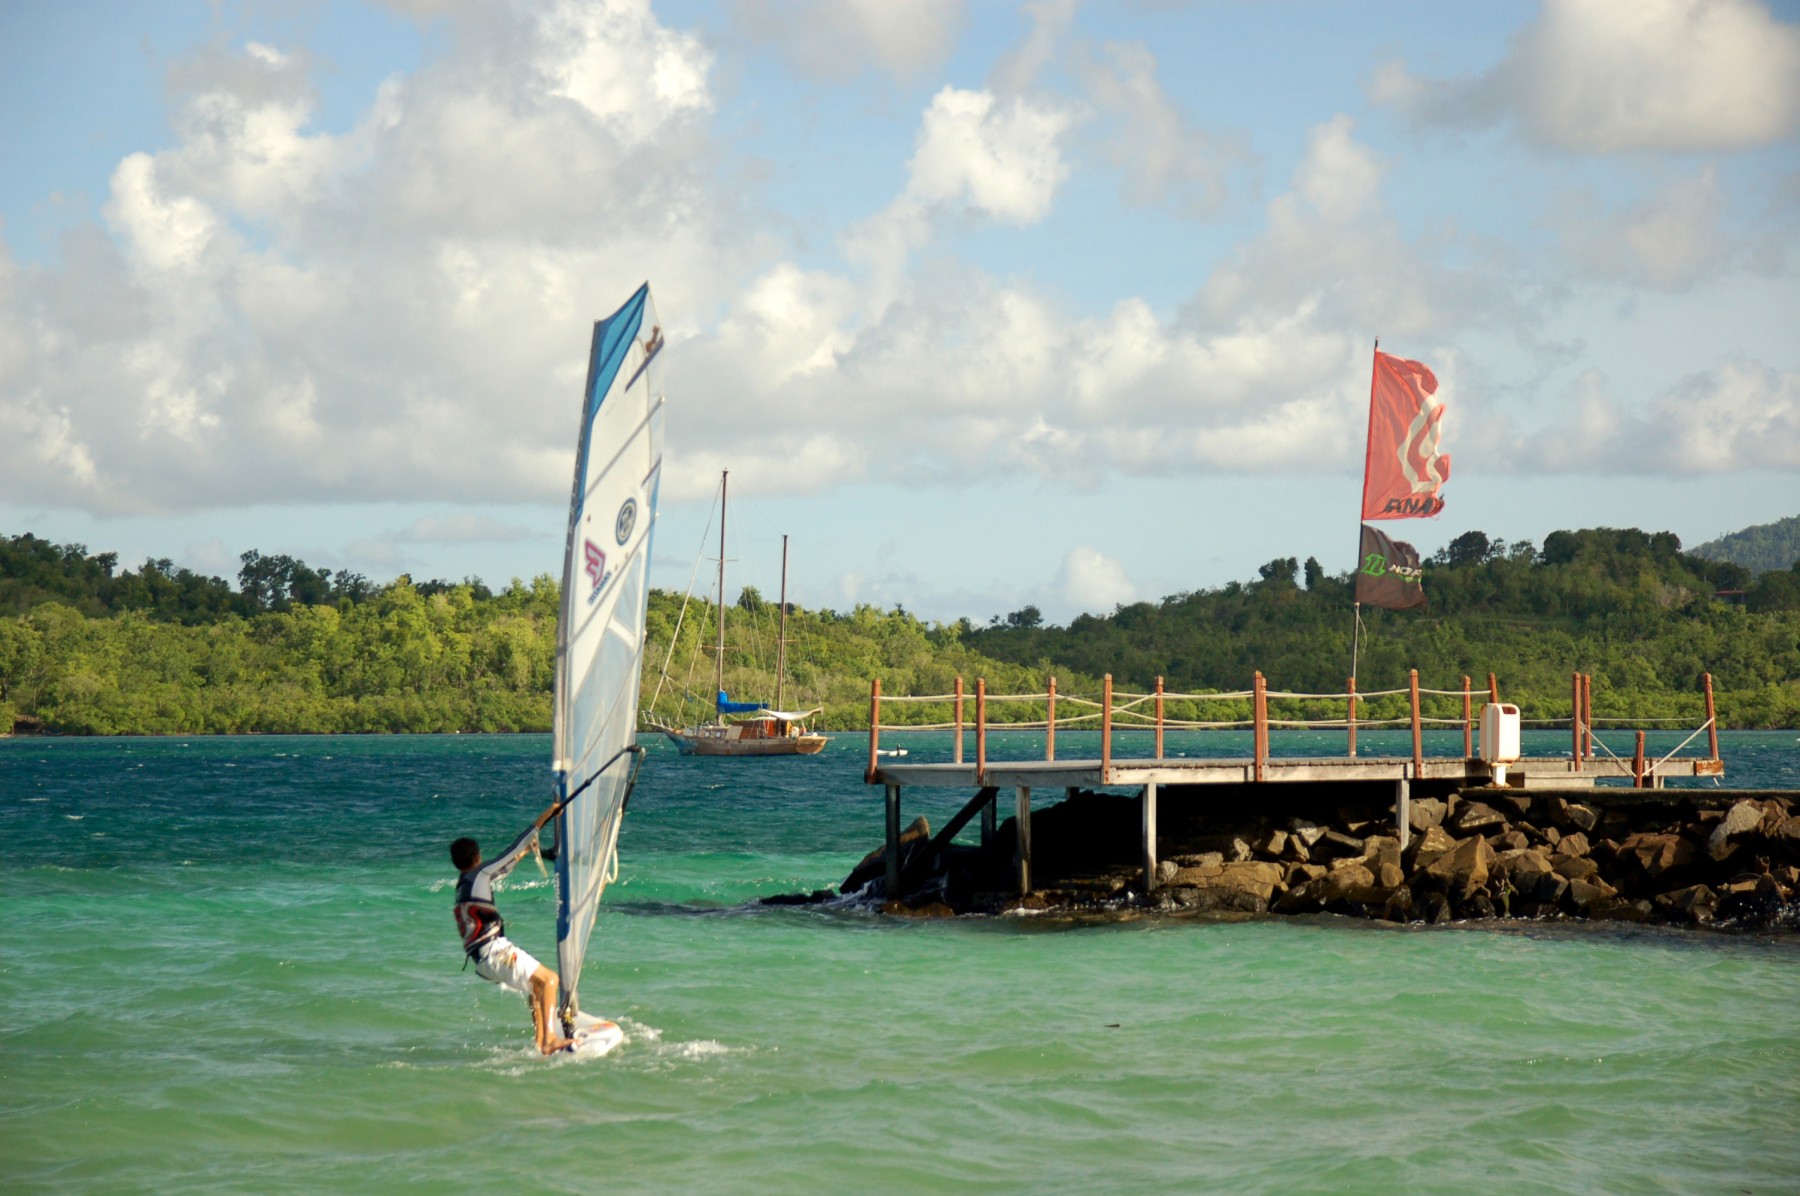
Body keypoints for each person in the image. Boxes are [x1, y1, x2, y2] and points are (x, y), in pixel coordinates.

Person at [451, 798, 572, 1054]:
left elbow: (502, 869)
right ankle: (550, 1039)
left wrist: (526, 853)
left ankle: (541, 1042)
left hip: (483, 960)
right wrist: (547, 814)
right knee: (550, 981)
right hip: (494, 951)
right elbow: (513, 846)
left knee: (535, 988)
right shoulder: (479, 874)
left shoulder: (465, 883)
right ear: (477, 857)